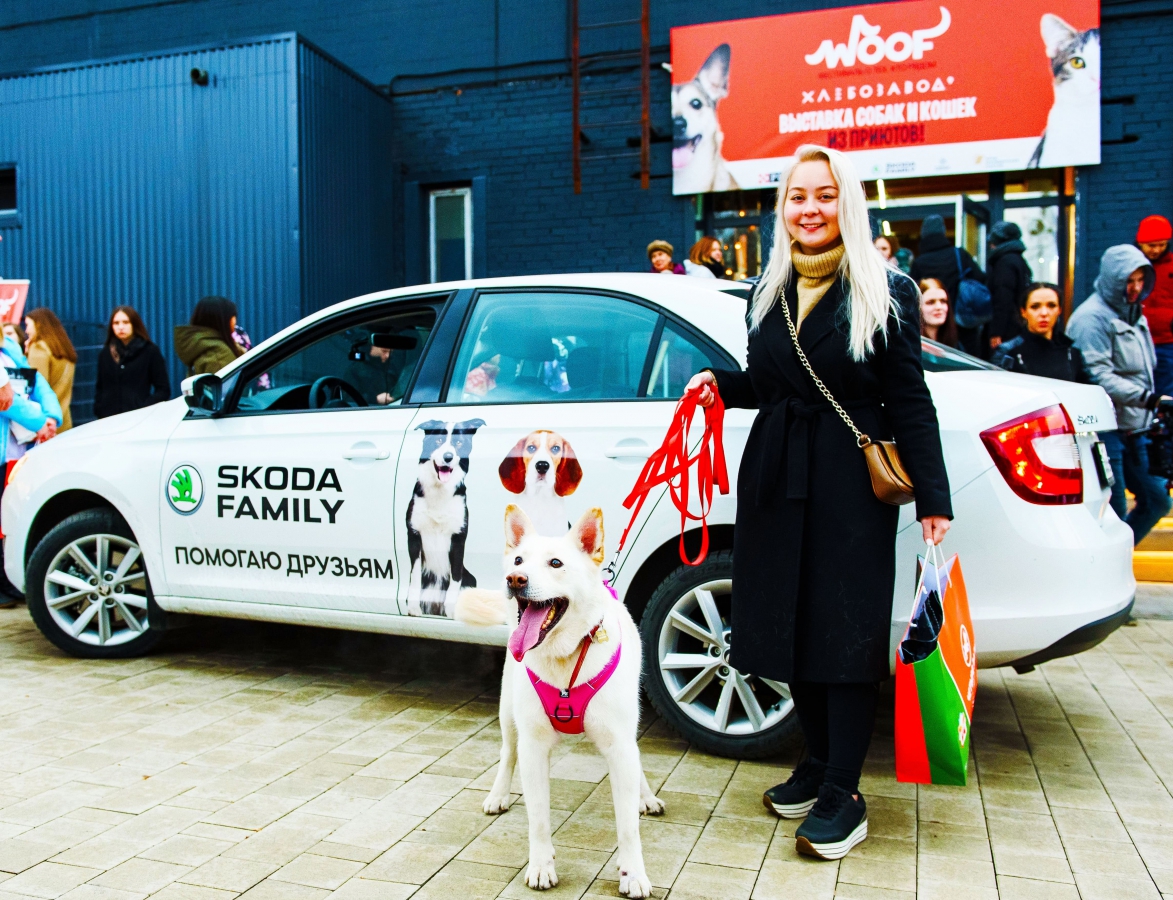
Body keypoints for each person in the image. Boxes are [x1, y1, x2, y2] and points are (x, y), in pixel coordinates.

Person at [684, 145, 951, 861]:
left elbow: (909, 398)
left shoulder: (884, 290)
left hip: (847, 486)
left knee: (844, 636)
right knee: (788, 628)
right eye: (797, 196)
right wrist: (718, 384)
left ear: (846, 203)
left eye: (824, 195)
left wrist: (933, 495)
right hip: (775, 477)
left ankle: (844, 792)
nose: (810, 209)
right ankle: (816, 762)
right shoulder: (766, 287)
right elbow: (770, 383)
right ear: (783, 209)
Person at [1068, 245, 1169, 544]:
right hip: (1106, 428)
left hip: (1134, 426)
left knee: (1157, 500)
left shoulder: (1134, 313)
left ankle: (1119, 556)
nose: (1135, 287)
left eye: (1140, 280)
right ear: (1113, 279)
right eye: (1129, 280)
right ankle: (1109, 561)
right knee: (1115, 509)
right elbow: (1098, 376)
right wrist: (1148, 398)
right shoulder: (1091, 318)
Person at [0, 335, 61, 605]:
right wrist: (40, 421)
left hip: (18, 448)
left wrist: (52, 416)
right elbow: (6, 399)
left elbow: (37, 383)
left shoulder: (9, 347)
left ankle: (8, 580)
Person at [909, 214, 985, 355]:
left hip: (930, 325)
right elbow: (980, 278)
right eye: (931, 301)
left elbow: (912, 294)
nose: (939, 306)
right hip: (964, 320)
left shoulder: (919, 262)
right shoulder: (959, 255)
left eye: (943, 301)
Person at [991, 283, 1085, 382]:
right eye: (1035, 307)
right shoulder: (1009, 352)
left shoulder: (1071, 351)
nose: (1044, 313)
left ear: (1059, 310)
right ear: (1023, 312)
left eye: (1051, 306)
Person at [92, 306, 171, 419]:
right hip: (109, 420)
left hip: (139, 419)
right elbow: (100, 388)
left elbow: (163, 390)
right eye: (116, 323)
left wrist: (145, 407)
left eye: (126, 322)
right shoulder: (105, 353)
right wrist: (100, 408)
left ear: (134, 324)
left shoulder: (150, 351)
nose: (120, 327)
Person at [1137, 215, 1173, 395]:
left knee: (1166, 390)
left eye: (1162, 244)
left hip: (1167, 341)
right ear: (1140, 243)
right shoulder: (1132, 266)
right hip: (1137, 340)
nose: (1157, 250)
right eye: (1152, 245)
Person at [24, 308, 77, 431]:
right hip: (64, 419)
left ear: (38, 325)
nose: (26, 330)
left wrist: (25, 356)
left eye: (27, 325)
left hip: (45, 423)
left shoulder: (38, 348)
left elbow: (35, 388)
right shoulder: (65, 350)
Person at [986, 221, 1033, 352]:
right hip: (1017, 325)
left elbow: (1003, 298)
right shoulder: (1018, 260)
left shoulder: (1004, 263)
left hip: (1008, 329)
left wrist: (997, 331)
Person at [174, 296, 244, 375]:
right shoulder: (219, 355)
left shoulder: (202, 347)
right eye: (233, 316)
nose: (235, 321)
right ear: (222, 320)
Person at [919, 278, 958, 347]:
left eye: (943, 301)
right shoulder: (910, 346)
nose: (938, 307)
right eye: (930, 302)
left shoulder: (956, 345)